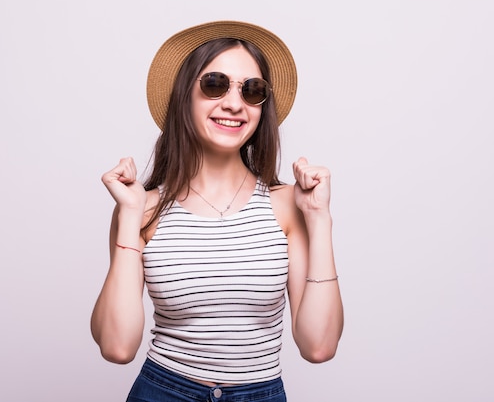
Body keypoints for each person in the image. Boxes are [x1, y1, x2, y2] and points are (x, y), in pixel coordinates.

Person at [90, 20, 343, 402]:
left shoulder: (290, 205)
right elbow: (117, 347)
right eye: (215, 84)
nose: (234, 103)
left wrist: (320, 219)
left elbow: (318, 347)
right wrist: (128, 215)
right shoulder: (141, 209)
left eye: (252, 90)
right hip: (162, 391)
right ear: (184, 96)